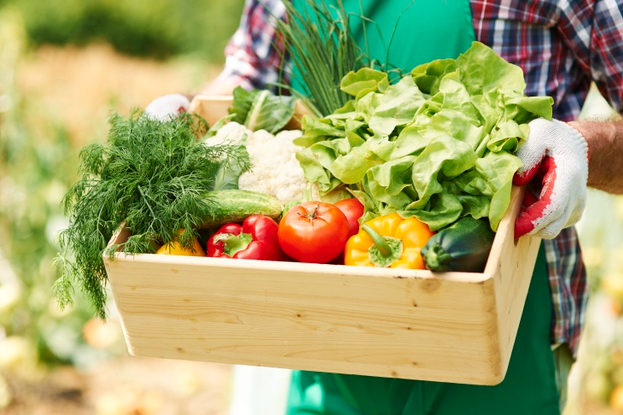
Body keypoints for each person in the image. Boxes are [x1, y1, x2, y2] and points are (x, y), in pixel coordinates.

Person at [146, 0, 623, 413]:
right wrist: (185, 109)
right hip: (324, 332)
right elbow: (250, 80)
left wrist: (585, 145)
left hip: (504, 323)